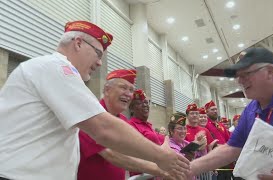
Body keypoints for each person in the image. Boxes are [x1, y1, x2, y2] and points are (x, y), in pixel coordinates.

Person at [0, 20, 189, 180]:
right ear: (78, 43)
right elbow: (103, 128)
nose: (100, 63)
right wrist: (160, 157)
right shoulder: (56, 67)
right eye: (98, 54)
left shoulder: (51, 72)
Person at [190, 47, 273, 180]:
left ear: (269, 71)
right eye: (237, 76)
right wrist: (189, 169)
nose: (239, 81)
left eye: (246, 74)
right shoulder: (251, 110)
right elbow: (232, 148)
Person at [78, 70, 172, 180]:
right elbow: (112, 155)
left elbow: (133, 150)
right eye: (123, 87)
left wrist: (162, 154)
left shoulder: (122, 120)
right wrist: (159, 169)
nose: (128, 94)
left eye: (131, 90)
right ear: (107, 90)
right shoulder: (93, 116)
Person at [128, 89, 164, 176]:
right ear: (132, 109)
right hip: (143, 175)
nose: (145, 105)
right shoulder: (131, 126)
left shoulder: (148, 125)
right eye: (139, 103)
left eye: (146, 102)